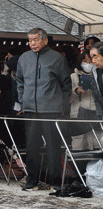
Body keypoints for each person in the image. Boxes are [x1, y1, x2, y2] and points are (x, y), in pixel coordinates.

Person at [15, 28, 72, 190]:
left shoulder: (57, 58)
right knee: (31, 146)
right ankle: (32, 180)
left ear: (45, 40)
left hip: (52, 110)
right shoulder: (24, 58)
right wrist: (23, 101)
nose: (32, 43)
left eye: (36, 39)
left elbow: (66, 85)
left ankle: (55, 182)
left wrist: (62, 107)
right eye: (30, 40)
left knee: (53, 147)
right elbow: (19, 81)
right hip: (30, 109)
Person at [70, 50, 100, 151]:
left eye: (90, 61)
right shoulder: (74, 76)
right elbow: (66, 97)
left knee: (97, 141)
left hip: (96, 114)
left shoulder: (99, 76)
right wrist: (77, 90)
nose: (88, 63)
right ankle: (78, 161)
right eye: (85, 60)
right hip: (78, 114)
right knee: (79, 142)